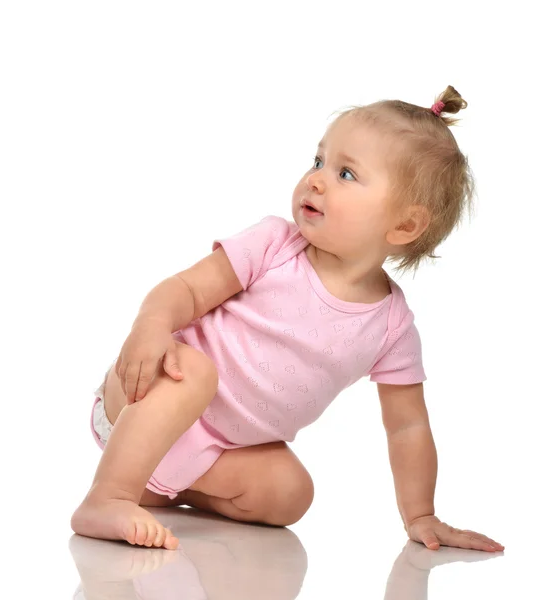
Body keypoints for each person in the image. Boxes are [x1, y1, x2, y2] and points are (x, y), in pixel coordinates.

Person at [71, 85, 505, 553]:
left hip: (220, 451)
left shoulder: (391, 327)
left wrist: (421, 514)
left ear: (404, 226)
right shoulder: (276, 244)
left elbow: (408, 428)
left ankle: (159, 488)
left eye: (345, 173)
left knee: (292, 493)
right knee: (194, 371)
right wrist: (151, 328)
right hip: (146, 397)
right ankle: (107, 496)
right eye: (318, 162)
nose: (316, 180)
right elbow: (188, 289)